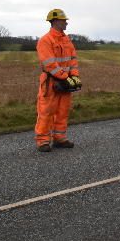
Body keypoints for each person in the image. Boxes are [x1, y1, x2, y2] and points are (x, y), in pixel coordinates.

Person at [35, 8, 82, 152]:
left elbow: (73, 59)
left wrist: (74, 76)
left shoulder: (67, 40)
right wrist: (64, 77)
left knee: (63, 111)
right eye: (64, 20)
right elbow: (49, 63)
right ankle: (42, 141)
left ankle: (59, 138)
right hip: (51, 82)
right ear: (55, 21)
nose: (66, 23)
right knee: (46, 111)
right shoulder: (45, 40)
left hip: (65, 81)